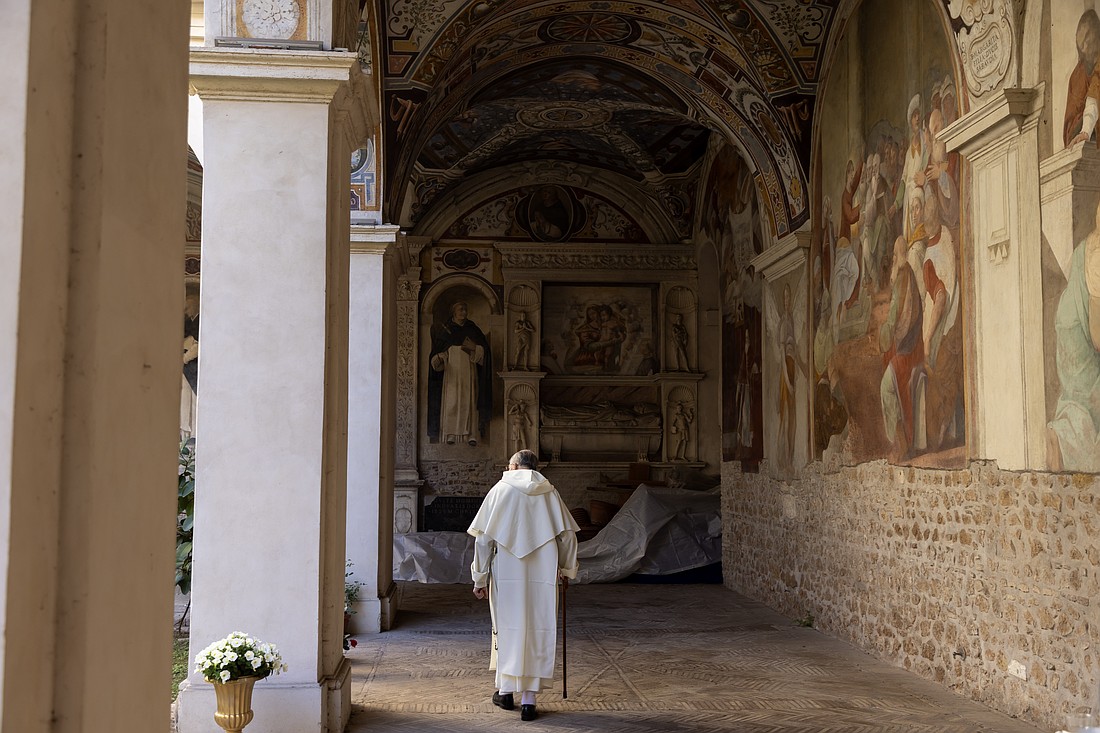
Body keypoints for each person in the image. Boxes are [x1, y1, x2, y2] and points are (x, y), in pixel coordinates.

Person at [468, 450, 579, 722]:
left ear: (514, 465)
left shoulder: (500, 490)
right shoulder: (549, 492)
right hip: (543, 573)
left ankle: (506, 692)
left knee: (507, 627)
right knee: (539, 627)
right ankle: (529, 700)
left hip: (506, 570)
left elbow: (483, 540)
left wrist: (479, 577)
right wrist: (566, 569)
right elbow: (567, 537)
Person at [428, 301, 493, 445]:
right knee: (452, 400)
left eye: (465, 309)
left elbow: (485, 351)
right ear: (454, 312)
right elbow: (436, 354)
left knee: (469, 400)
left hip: (469, 370)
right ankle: (450, 433)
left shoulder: (472, 328)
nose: (463, 312)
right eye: (460, 309)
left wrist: (475, 348)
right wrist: (439, 356)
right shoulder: (446, 330)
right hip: (451, 371)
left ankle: (471, 434)